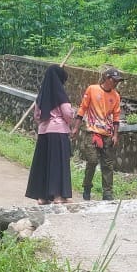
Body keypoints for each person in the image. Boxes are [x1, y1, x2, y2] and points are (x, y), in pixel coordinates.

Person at [25, 65, 78, 204]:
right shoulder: (60, 95)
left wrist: (44, 123)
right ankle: (58, 196)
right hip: (58, 132)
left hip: (43, 133)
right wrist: (71, 119)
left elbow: (37, 116)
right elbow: (67, 114)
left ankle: (42, 197)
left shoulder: (41, 97)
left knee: (44, 163)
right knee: (58, 163)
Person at [74, 67, 125, 201]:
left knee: (108, 165)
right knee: (92, 160)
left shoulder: (116, 96)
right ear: (107, 79)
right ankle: (87, 187)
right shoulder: (92, 89)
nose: (116, 83)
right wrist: (76, 128)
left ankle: (107, 193)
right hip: (92, 132)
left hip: (107, 134)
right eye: (115, 80)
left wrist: (115, 135)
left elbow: (116, 117)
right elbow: (82, 108)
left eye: (118, 81)